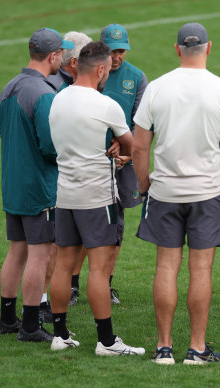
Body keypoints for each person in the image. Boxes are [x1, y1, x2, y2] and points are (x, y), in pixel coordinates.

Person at [133, 22, 220, 365]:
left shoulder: (157, 88)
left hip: (165, 192)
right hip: (208, 193)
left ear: (177, 48)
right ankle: (197, 348)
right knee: (201, 270)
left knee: (166, 267)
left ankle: (164, 347)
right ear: (208, 48)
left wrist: (144, 187)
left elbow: (139, 147)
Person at [48, 41, 145, 356]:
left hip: (65, 196)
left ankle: (60, 335)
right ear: (102, 69)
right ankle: (106, 342)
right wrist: (120, 142)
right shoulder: (106, 105)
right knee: (100, 271)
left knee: (64, 266)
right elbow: (133, 147)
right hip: (97, 198)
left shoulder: (58, 100)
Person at [0, 28, 73, 342]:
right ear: (53, 56)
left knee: (16, 251)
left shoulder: (9, 86)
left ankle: (6, 319)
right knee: (39, 255)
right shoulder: (43, 94)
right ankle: (29, 325)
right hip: (39, 188)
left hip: (12, 184)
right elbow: (50, 146)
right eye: (62, 55)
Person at [69, 24, 148, 307]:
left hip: (122, 163)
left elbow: (142, 122)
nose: (117, 57)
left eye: (122, 51)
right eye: (112, 51)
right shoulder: (88, 74)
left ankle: (107, 283)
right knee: (80, 225)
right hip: (89, 160)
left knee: (115, 226)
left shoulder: (136, 78)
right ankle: (74, 284)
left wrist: (126, 147)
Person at [37, 31, 92, 323]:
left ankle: (51, 297)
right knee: (55, 245)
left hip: (67, 178)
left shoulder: (59, 84)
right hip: (63, 179)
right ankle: (42, 301)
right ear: (74, 62)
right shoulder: (59, 91)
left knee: (65, 244)